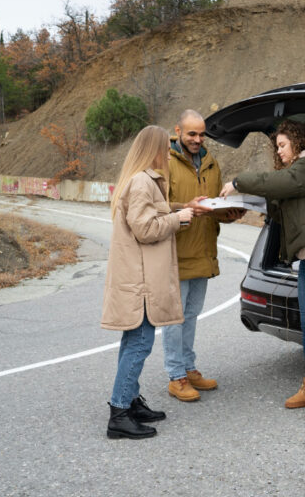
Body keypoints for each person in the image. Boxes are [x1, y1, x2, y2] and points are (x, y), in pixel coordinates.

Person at [220, 120, 305, 420]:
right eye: (276, 147)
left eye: (282, 145)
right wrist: (247, 204)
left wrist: (239, 182)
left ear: (299, 144)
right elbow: (277, 207)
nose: (279, 152)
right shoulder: (294, 178)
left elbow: (274, 183)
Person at [102, 125, 194, 439]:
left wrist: (181, 208)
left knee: (133, 343)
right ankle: (119, 412)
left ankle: (129, 401)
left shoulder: (139, 179)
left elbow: (150, 214)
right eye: (165, 146)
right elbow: (145, 229)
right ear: (153, 148)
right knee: (139, 344)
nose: (169, 152)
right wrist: (177, 220)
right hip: (141, 282)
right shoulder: (142, 182)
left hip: (136, 278)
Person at [163, 109, 244, 402]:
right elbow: (154, 205)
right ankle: (176, 376)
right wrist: (184, 206)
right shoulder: (164, 162)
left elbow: (213, 209)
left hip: (203, 252)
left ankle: (189, 367)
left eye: (201, 134)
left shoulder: (211, 164)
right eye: (191, 134)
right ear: (178, 131)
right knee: (174, 318)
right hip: (174, 252)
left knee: (192, 316)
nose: (197, 139)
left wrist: (230, 214)